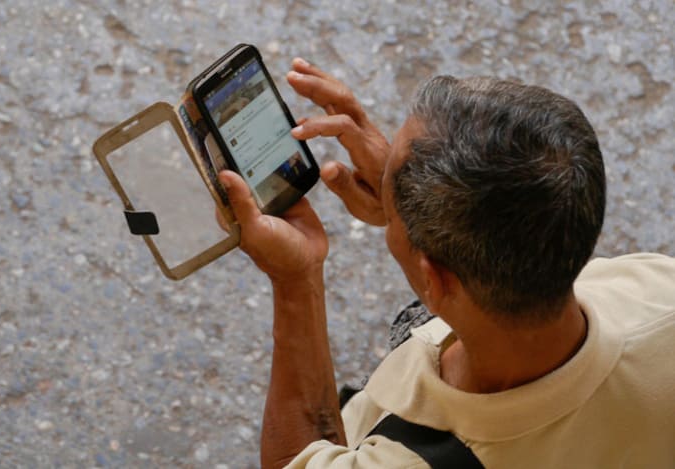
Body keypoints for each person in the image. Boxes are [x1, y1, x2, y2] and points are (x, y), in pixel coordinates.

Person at [216, 57, 675, 468]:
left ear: (434, 281)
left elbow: (294, 462)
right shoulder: (657, 290)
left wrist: (296, 280)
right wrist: (415, 206)